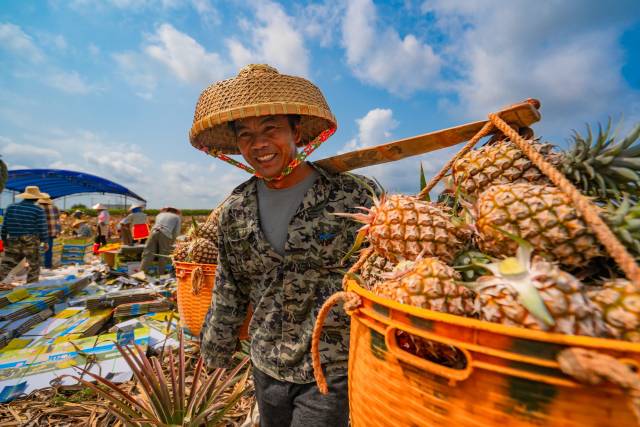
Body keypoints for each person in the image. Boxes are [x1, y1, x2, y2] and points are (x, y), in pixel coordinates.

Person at [197, 64, 376, 427]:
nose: (258, 144)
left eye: (270, 129)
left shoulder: (352, 194)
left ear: (296, 131)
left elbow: (384, 270)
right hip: (266, 363)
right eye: (245, 135)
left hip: (332, 367)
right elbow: (229, 286)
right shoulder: (235, 210)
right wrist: (215, 351)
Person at [0, 186, 49, 283]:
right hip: (30, 240)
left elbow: (4, 225)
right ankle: (31, 287)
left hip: (13, 239)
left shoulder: (10, 207)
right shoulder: (38, 210)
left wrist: (4, 239)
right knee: (33, 265)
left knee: (7, 264)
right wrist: (45, 241)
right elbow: (42, 227)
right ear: (37, 198)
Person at [140, 207, 181, 276]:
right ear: (175, 212)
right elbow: (176, 232)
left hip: (153, 232)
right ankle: (161, 275)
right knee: (163, 255)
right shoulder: (176, 217)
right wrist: (172, 242)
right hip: (166, 233)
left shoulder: (159, 215)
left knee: (148, 253)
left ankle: (141, 273)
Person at [38, 193, 61, 269]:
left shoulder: (37, 208)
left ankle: (38, 265)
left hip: (39, 233)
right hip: (50, 233)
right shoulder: (55, 208)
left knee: (39, 249)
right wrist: (58, 231)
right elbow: (58, 220)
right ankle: (47, 266)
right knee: (48, 249)